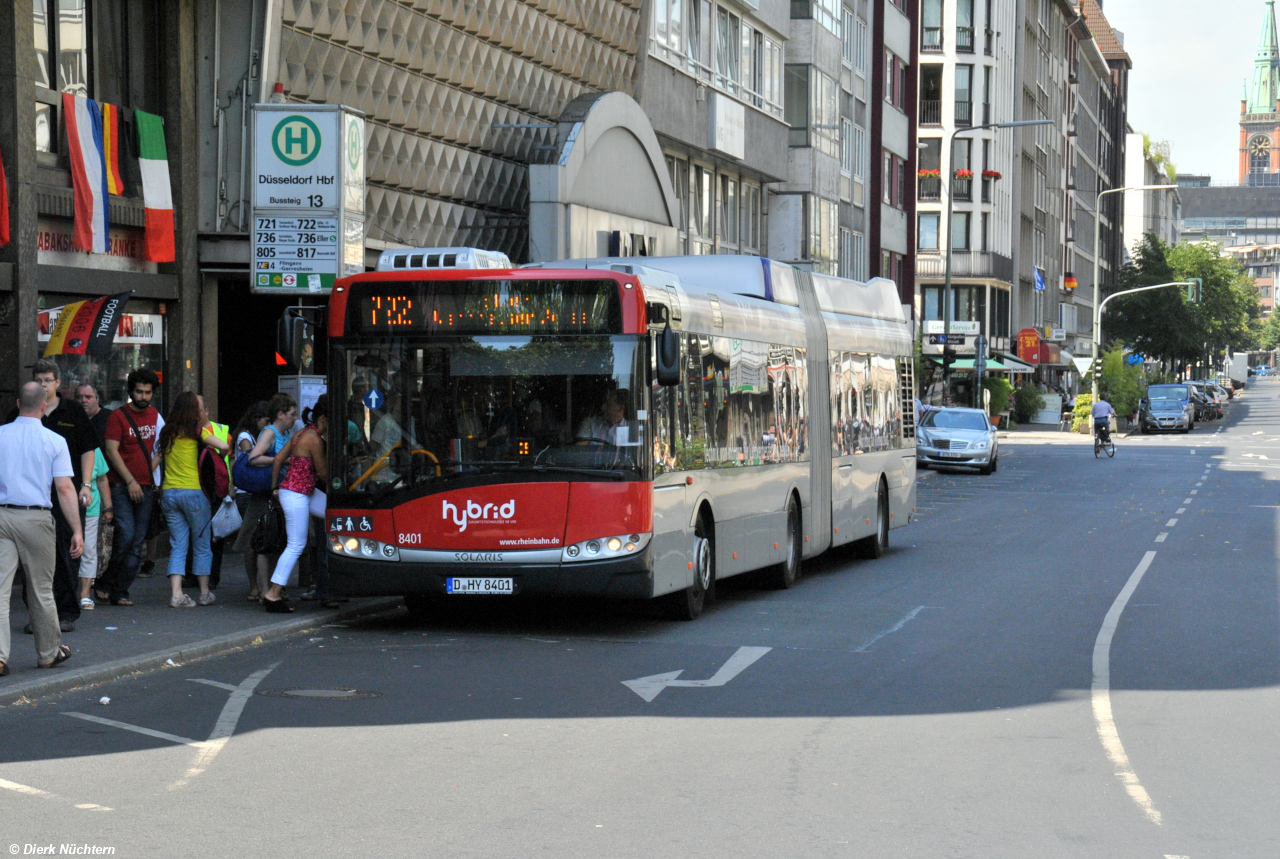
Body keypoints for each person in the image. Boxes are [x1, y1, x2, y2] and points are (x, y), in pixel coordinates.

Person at [6, 359, 98, 631]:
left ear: (58, 383)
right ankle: (38, 616)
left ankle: (66, 612)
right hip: (31, 496)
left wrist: (86, 484)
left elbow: (88, 449)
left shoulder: (73, 412)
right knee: (31, 560)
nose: (43, 384)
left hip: (65, 495)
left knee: (66, 553)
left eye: (48, 380)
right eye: (39, 380)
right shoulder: (17, 415)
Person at [0, 382, 81, 675]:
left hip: (2, 516)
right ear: (44, 406)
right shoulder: (55, 441)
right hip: (37, 519)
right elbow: (64, 488)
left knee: (0, 591)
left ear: (19, 404)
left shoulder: (0, 436)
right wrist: (77, 530)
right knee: (41, 590)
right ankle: (48, 653)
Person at [155, 392, 230, 607]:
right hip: (195, 494)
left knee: (178, 544)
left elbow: (155, 461)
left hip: (170, 493)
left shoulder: (167, 433)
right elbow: (224, 446)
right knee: (201, 544)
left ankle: (176, 594)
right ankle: (205, 593)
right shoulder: (198, 432)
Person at [100, 369, 162, 606]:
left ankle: (120, 590)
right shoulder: (118, 416)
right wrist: (130, 481)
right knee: (125, 535)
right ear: (131, 391)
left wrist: (148, 473)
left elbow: (159, 450)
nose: (143, 396)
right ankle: (107, 580)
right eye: (139, 391)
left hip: (146, 487)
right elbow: (111, 451)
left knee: (137, 542)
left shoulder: (155, 415)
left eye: (147, 392)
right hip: (121, 486)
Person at [263, 395, 329, 613]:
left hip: (295, 491)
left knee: (334, 513)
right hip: (297, 494)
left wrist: (275, 487)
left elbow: (279, 459)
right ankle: (273, 594)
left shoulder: (301, 433)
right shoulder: (315, 440)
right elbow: (323, 473)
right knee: (296, 544)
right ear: (323, 419)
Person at [230, 401, 270, 601]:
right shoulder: (246, 437)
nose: (267, 424)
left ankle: (256, 585)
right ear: (256, 419)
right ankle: (254, 585)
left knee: (255, 538)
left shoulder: (254, 436)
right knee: (250, 540)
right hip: (246, 492)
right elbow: (249, 460)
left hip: (250, 491)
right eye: (265, 420)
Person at [77, 447, 112, 612]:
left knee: (89, 550)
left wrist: (108, 507)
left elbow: (102, 479)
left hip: (91, 509)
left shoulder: (94, 450)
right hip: (65, 508)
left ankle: (85, 594)